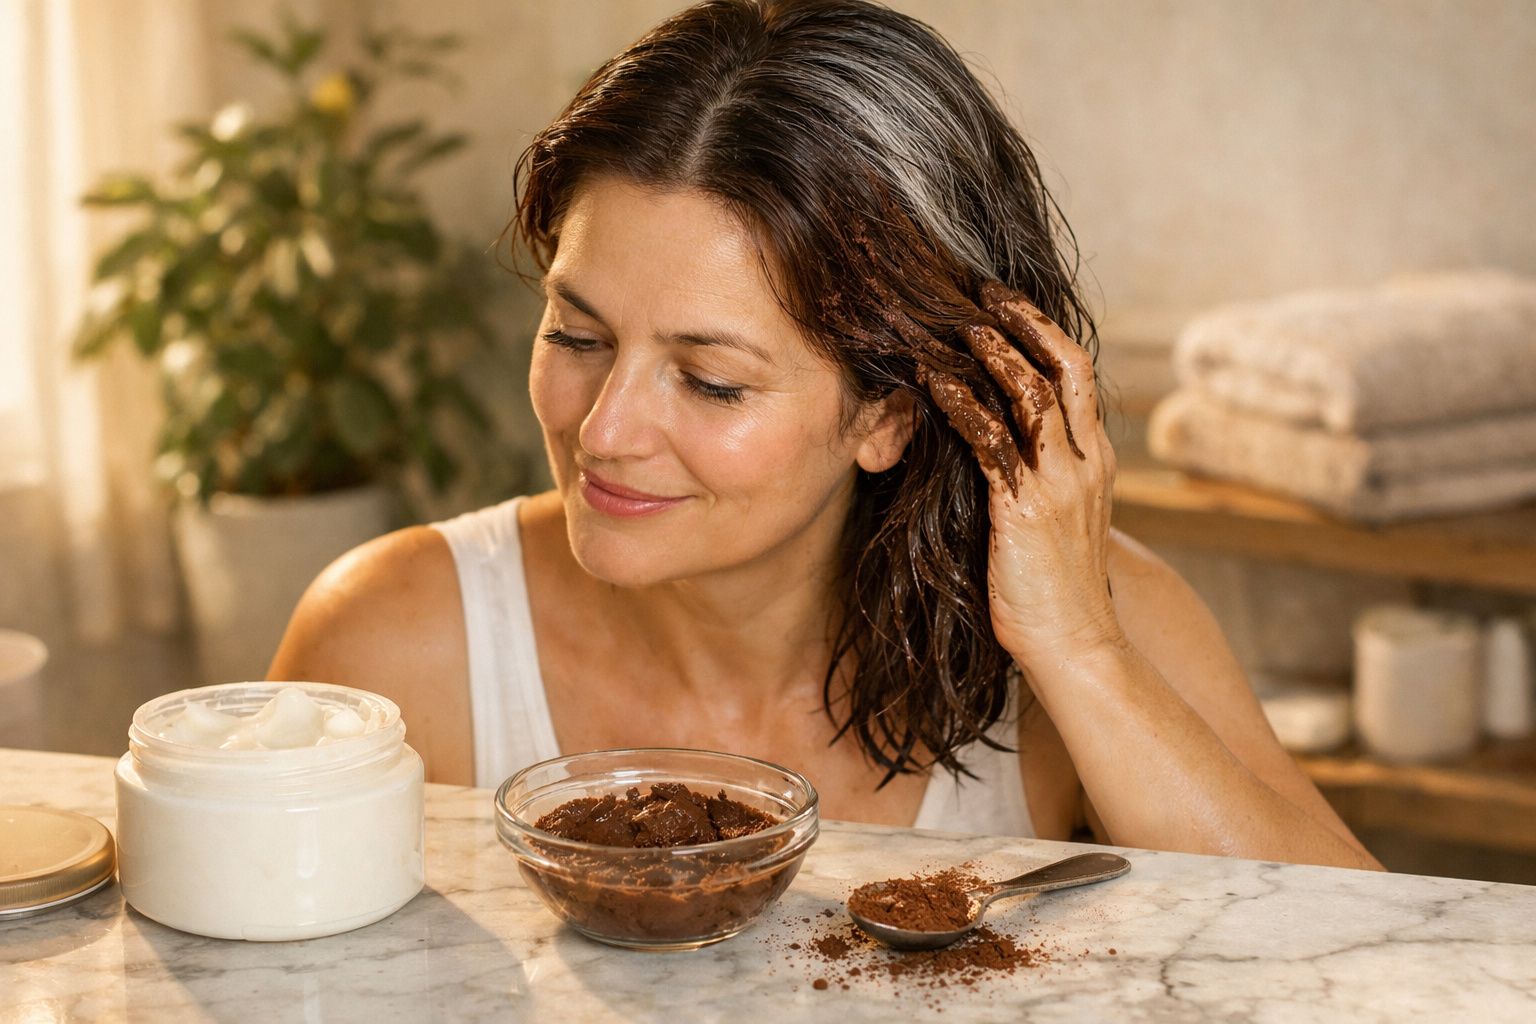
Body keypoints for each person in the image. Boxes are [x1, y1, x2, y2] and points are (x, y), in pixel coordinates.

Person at [270, 0, 1379, 869]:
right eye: (577, 335)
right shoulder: (395, 643)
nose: (604, 430)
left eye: (711, 382)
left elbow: (1366, 969)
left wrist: (1079, 652)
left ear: (890, 412)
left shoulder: (1102, 616)